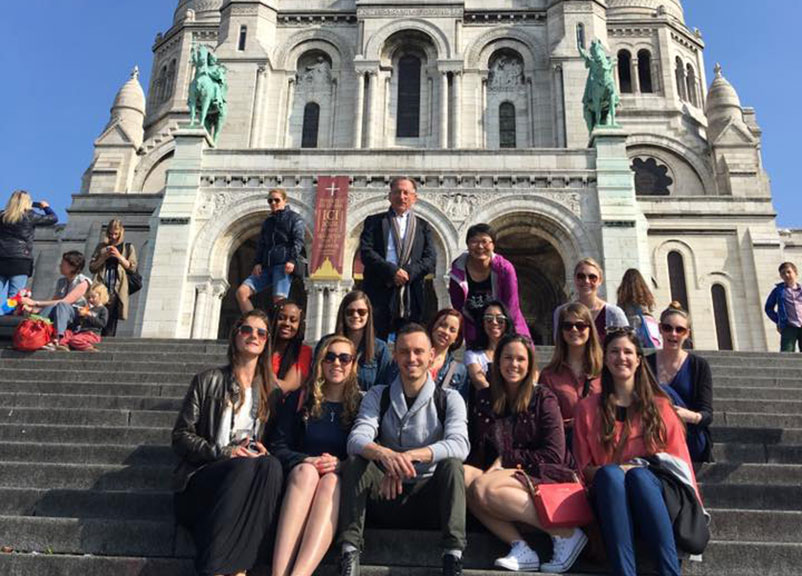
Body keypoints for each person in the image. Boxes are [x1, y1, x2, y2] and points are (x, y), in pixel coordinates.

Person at [337, 323, 470, 576]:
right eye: (405, 352)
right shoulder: (378, 395)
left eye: (419, 351)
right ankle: (349, 553)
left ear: (431, 355)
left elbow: (460, 444)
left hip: (429, 495)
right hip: (388, 492)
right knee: (357, 461)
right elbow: (357, 438)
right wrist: (386, 456)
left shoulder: (449, 399)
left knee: (453, 465)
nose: (412, 358)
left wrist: (409, 457)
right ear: (395, 356)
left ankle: (453, 557)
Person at [573, 328, 701, 576]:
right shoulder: (587, 409)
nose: (621, 357)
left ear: (639, 359)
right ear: (605, 359)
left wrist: (695, 510)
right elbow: (582, 467)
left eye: (628, 352)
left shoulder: (661, 407)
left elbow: (680, 463)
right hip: (610, 497)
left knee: (639, 477)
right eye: (614, 352)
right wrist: (619, 471)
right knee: (611, 475)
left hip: (656, 496)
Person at [172, 310, 284, 576]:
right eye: (246, 330)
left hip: (244, 487)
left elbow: (278, 444)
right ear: (235, 335)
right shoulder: (207, 380)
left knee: (272, 467)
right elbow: (180, 436)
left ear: (267, 342)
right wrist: (225, 452)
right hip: (201, 478)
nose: (253, 336)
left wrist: (264, 450)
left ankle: (234, 571)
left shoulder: (273, 393)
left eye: (260, 333)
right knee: (243, 466)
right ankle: (219, 569)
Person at [465, 334, 587, 574]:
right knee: (463, 476)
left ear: (530, 365)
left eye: (521, 359)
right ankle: (521, 548)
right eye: (508, 357)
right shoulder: (484, 399)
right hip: (504, 480)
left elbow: (554, 455)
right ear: (497, 362)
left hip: (544, 476)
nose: (514, 364)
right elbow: (479, 449)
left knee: (482, 487)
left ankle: (565, 534)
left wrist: (506, 460)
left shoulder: (544, 398)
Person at [270, 336, 363, 576]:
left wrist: (341, 465)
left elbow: (366, 450)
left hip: (336, 484)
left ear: (353, 364)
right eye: (330, 357)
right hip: (299, 480)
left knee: (331, 480)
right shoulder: (299, 399)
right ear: (320, 362)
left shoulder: (361, 405)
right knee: (307, 473)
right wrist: (305, 459)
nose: (337, 363)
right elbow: (278, 446)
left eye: (345, 358)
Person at [359, 177, 436, 340]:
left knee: (409, 341)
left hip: (411, 291)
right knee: (375, 340)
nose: (402, 197)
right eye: (397, 192)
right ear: (389, 196)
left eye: (406, 193)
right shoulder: (374, 221)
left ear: (414, 198)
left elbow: (430, 258)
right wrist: (392, 271)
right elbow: (366, 252)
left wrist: (407, 273)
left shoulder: (423, 226)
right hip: (379, 288)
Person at [647, 303, 714, 463]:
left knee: (661, 390)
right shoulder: (645, 363)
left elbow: (707, 414)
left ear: (687, 334)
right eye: (667, 328)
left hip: (689, 435)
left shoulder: (699, 366)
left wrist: (688, 415)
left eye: (680, 330)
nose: (673, 333)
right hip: (655, 433)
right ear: (660, 329)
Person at [449, 223, 530, 347]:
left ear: (493, 245)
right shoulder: (457, 270)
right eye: (474, 241)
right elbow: (458, 307)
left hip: (504, 328)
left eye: (485, 242)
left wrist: (507, 337)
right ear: (467, 244)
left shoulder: (505, 269)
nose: (480, 246)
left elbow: (511, 305)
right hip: (475, 331)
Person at [540, 302, 603, 448]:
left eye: (580, 325)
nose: (574, 330)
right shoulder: (549, 375)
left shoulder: (604, 371)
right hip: (567, 447)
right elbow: (546, 421)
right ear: (561, 331)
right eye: (567, 326)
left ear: (590, 329)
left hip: (601, 447)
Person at [236, 189, 306, 312]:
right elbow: (262, 244)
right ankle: (254, 323)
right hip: (266, 267)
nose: (273, 203)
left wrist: (292, 260)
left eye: (277, 200)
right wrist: (257, 263)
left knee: (280, 304)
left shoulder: (295, 218)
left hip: (282, 265)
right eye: (270, 200)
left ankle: (276, 330)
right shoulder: (268, 222)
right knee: (241, 292)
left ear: (285, 201)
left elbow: (298, 241)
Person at [313, 290, 396, 391]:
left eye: (361, 312)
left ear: (368, 315)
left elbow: (384, 387)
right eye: (350, 312)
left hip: (367, 405)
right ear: (343, 314)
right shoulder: (326, 343)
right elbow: (316, 378)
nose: (356, 316)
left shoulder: (380, 348)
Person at [23, 251, 92, 351]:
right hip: (59, 313)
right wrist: (35, 310)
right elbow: (54, 301)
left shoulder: (83, 282)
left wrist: (35, 302)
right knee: (52, 307)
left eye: (63, 264)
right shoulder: (61, 282)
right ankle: (34, 334)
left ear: (73, 267)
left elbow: (66, 301)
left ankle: (58, 338)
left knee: (62, 305)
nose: (60, 266)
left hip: (76, 315)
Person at [0, 190, 58, 310]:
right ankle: (4, 316)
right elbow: (53, 218)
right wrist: (46, 207)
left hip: (2, 257)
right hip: (20, 261)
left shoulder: (2, 216)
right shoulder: (30, 216)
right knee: (14, 298)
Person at [555, 258, 628, 343]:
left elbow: (625, 343)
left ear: (600, 280)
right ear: (575, 279)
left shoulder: (614, 313)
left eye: (592, 277)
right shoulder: (561, 312)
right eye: (581, 276)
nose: (586, 281)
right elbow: (559, 345)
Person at [88, 218, 138, 336]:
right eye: (111, 234)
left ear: (121, 232)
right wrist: (103, 257)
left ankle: (107, 339)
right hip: (101, 285)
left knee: (111, 317)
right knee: (96, 312)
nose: (113, 237)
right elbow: (92, 267)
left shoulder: (128, 247)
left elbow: (132, 267)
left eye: (116, 234)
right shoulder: (101, 246)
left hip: (117, 286)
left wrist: (119, 256)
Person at [465, 301, 515, 392]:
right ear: (482, 323)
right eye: (489, 319)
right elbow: (479, 381)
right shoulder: (473, 354)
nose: (494, 323)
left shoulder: (516, 350)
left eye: (500, 319)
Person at [271, 300, 313, 394]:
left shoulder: (303, 351)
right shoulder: (262, 346)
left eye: (293, 320)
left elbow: (287, 386)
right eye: (281, 318)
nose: (287, 323)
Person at [428, 308, 469, 404]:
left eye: (452, 330)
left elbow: (459, 407)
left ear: (456, 338)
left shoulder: (459, 370)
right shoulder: (413, 357)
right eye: (442, 325)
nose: (446, 332)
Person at [59, 282, 110, 352]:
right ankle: (63, 345)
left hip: (92, 334)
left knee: (75, 339)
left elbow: (102, 324)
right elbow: (80, 323)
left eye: (93, 297)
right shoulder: (89, 309)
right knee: (67, 333)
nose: (90, 299)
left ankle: (88, 347)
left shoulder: (103, 310)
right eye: (89, 297)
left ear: (101, 296)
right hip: (81, 333)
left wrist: (89, 315)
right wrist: (80, 316)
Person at [616, 268, 659, 348]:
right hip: (645, 324)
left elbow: (620, 310)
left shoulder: (623, 293)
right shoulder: (644, 291)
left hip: (629, 324)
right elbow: (649, 309)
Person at [765, 261, 802, 352]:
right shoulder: (778, 291)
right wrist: (779, 320)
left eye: (789, 272)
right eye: (783, 273)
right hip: (788, 326)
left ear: (795, 273)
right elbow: (768, 308)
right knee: (787, 351)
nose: (786, 275)